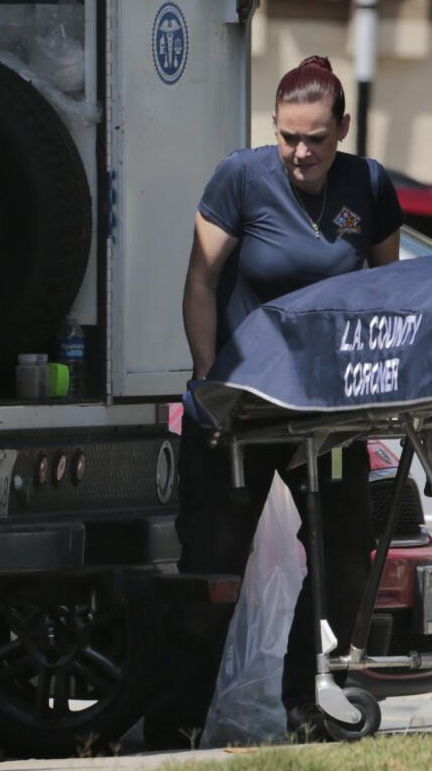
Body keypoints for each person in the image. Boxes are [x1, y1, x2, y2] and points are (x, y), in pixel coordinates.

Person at [144, 56, 404, 747]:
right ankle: (177, 717)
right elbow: (200, 282)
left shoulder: (369, 186)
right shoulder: (241, 178)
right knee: (215, 563)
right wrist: (210, 379)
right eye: (289, 136)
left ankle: (306, 703)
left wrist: (374, 389)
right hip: (241, 405)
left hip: (326, 409)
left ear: (342, 128)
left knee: (346, 553)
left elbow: (388, 293)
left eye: (316, 138)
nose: (301, 152)